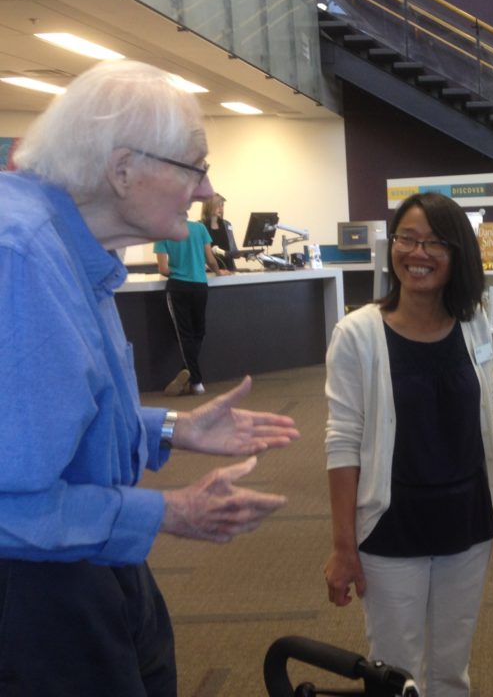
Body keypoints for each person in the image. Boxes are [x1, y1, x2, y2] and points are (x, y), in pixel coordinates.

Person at [0, 60, 299, 695]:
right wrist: (168, 511)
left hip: (88, 555)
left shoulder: (77, 249)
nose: (205, 189)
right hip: (30, 583)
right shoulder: (19, 255)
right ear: (123, 169)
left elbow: (52, 421)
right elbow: (10, 499)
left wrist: (175, 429)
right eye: (195, 166)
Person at [323, 192, 493, 697]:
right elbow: (342, 443)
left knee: (452, 671)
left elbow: (492, 410)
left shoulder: (473, 319)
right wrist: (343, 546)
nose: (419, 253)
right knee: (395, 674)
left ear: (457, 253)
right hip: (392, 525)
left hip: (466, 521)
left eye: (435, 242)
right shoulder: (357, 335)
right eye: (407, 239)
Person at [156, 219, 230, 396]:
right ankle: (192, 376)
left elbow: (163, 268)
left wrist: (179, 269)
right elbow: (211, 260)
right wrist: (218, 271)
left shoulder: (162, 230)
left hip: (178, 287)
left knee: (185, 335)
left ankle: (195, 380)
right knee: (199, 332)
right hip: (200, 285)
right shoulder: (199, 228)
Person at [200, 192, 237, 271]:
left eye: (222, 205)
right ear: (209, 206)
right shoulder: (200, 226)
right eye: (218, 205)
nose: (221, 208)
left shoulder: (227, 225)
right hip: (208, 271)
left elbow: (233, 250)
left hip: (228, 269)